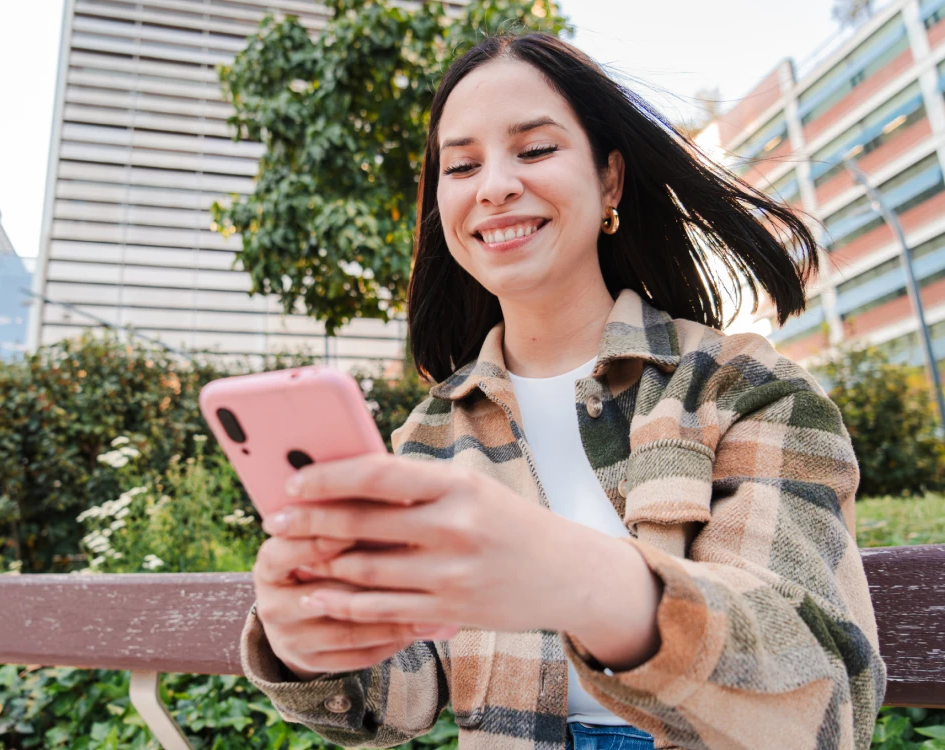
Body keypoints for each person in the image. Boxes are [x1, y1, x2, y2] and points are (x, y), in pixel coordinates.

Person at [238, 31, 886, 750]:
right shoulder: (429, 434)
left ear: (609, 180)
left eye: (536, 149)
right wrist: (309, 642)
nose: (494, 186)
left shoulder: (742, 388)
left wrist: (570, 573)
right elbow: (402, 696)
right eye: (461, 165)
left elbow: (816, 688)